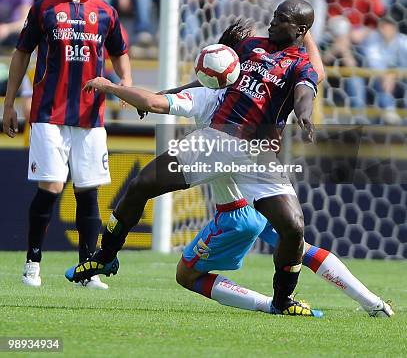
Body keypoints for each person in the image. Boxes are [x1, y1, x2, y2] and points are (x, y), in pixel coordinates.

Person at [78, 23, 392, 317]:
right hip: (258, 193)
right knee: (300, 243)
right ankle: (370, 303)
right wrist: (304, 36)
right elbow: (316, 74)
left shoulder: (207, 95)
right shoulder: (260, 89)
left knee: (185, 273)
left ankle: (107, 254)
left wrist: (115, 89)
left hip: (235, 213)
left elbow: (161, 102)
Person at [2, 0, 132, 289]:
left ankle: (87, 271)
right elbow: (21, 54)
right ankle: (32, 264)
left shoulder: (105, 12)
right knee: (52, 186)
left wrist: (127, 87)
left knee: (88, 191)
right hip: (48, 114)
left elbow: (120, 53)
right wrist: (9, 103)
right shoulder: (44, 8)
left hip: (90, 116)